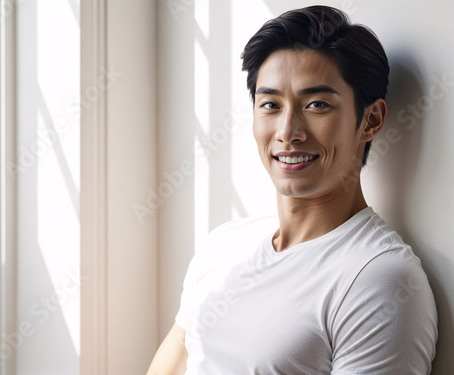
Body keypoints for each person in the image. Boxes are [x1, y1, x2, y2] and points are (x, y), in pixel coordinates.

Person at [147, 5, 438, 374]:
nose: (288, 131)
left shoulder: (378, 281)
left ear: (372, 119)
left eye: (317, 104)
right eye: (270, 104)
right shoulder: (223, 246)